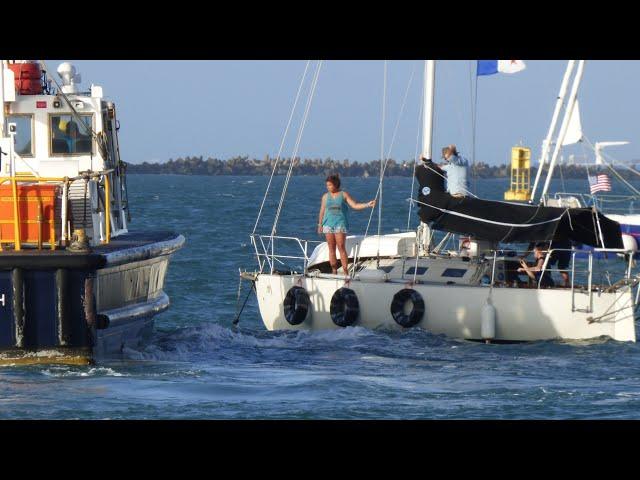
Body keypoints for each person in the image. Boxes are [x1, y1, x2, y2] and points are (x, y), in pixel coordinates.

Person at [317, 174, 376, 275]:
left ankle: (345, 271)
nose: (328, 187)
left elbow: (355, 205)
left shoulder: (343, 194)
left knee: (341, 246)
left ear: (336, 185)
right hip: (328, 224)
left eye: (330, 185)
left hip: (340, 224)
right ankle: (334, 270)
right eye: (327, 185)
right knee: (331, 248)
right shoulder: (325, 197)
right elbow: (322, 211)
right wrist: (320, 225)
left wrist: (367, 204)